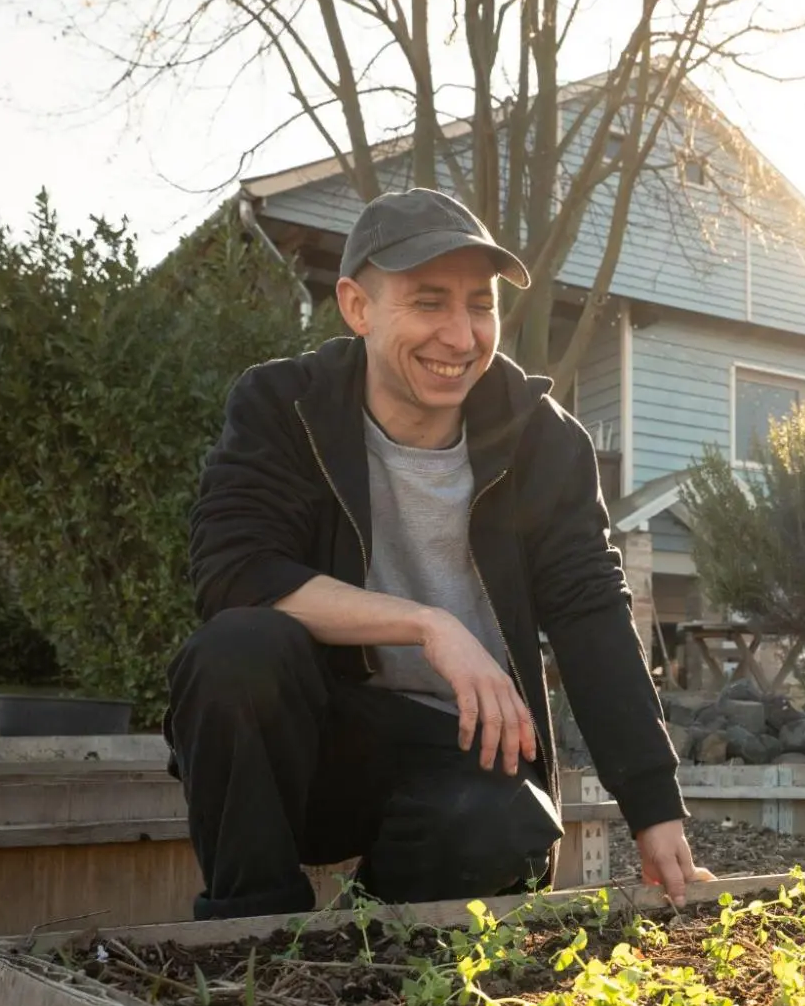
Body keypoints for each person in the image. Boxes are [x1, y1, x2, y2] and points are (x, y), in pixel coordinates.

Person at [167, 187, 710, 918]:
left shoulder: (542, 441)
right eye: (428, 303)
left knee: (499, 823)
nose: (460, 337)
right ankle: (252, 935)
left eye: (479, 305)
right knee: (235, 650)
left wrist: (653, 808)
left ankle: (356, 943)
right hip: (316, 746)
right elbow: (234, 573)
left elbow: (592, 617)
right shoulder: (282, 408)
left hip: (464, 753)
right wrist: (428, 623)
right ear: (357, 306)